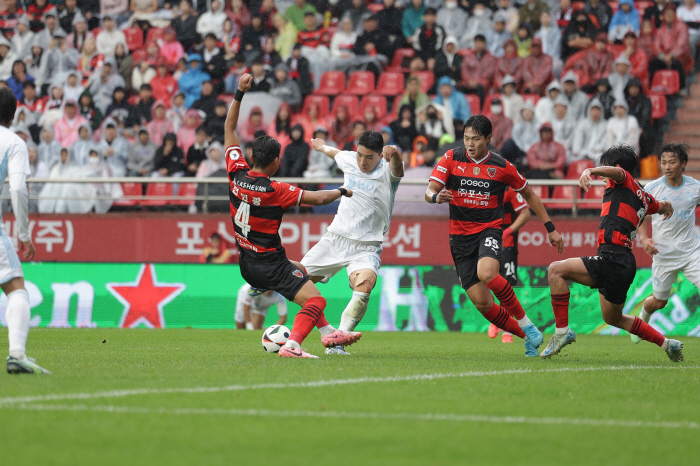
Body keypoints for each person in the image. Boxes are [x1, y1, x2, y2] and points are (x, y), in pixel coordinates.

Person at [228, 73, 360, 358]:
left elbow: (229, 127)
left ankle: (328, 333)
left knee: (300, 268)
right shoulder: (276, 189)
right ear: (276, 161)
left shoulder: (235, 173)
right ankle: (292, 345)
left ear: (251, 156)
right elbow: (320, 198)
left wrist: (239, 92)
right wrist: (344, 190)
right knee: (317, 300)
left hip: (247, 264)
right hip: (269, 265)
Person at [425, 114, 563, 357]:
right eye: (467, 138)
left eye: (476, 139)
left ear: (488, 138)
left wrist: (550, 227)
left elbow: (529, 194)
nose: (470, 144)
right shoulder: (451, 158)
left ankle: (527, 322)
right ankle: (528, 336)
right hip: (459, 237)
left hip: (488, 229)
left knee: (487, 273)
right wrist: (436, 197)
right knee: (482, 303)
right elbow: (430, 191)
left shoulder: (502, 166)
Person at [544, 144, 682, 361]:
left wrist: (590, 170)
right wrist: (668, 206)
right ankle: (667, 344)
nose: (603, 175)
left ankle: (561, 333)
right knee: (613, 318)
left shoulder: (622, 178)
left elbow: (618, 172)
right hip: (625, 262)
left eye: (605, 168)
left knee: (555, 271)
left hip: (612, 256)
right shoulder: (643, 196)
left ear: (616, 167)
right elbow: (660, 206)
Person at [298, 132, 403, 355]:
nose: (363, 162)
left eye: (369, 157)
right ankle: (327, 329)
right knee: (296, 281)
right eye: (360, 155)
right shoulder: (349, 159)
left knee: (364, 287)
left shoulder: (387, 170)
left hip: (366, 246)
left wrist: (394, 154)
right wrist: (320, 146)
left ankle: (337, 342)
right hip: (336, 239)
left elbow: (398, 169)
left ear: (379, 155)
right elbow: (334, 152)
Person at [634, 143, 700, 345]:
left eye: (672, 162)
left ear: (683, 164)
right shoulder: (652, 188)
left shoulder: (695, 187)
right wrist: (644, 239)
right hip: (663, 255)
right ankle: (644, 314)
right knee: (659, 302)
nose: (667, 166)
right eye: (663, 162)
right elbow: (638, 215)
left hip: (692, 252)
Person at [0, 88, 46, 374]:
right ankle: (16, 354)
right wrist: (24, 233)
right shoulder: (13, 142)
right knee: (16, 287)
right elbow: (17, 188)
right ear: (14, 113)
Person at [487, 186, 531, 343]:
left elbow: (525, 214)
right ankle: (495, 317)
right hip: (488, 239)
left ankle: (507, 330)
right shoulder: (484, 185)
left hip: (507, 243)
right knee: (486, 279)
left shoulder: (511, 189)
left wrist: (508, 231)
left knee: (506, 286)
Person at [649, 5, 690, 92]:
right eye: (667, 14)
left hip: (679, 56)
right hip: (663, 57)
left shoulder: (682, 26)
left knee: (676, 63)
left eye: (672, 14)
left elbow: (682, 44)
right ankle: (653, 87)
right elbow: (656, 45)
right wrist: (662, 56)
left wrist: (671, 55)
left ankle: (682, 88)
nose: (669, 16)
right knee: (653, 63)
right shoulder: (661, 30)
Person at [625, 78, 654, 158]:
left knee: (646, 137)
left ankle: (644, 160)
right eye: (631, 87)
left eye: (636, 87)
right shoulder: (624, 101)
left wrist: (641, 127)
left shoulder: (645, 100)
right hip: (627, 127)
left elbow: (646, 115)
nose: (634, 90)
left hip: (643, 127)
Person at [571, 98, 607, 162]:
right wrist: (576, 149)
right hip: (583, 151)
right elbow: (578, 138)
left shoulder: (605, 124)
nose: (595, 113)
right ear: (589, 111)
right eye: (593, 110)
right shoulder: (583, 123)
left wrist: (599, 148)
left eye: (597, 110)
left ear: (601, 112)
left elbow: (605, 140)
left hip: (597, 152)